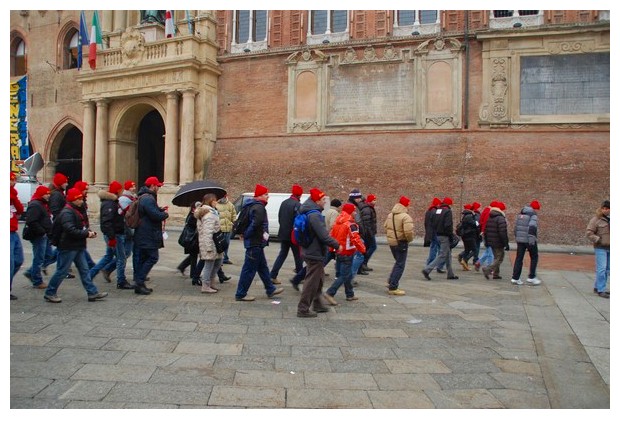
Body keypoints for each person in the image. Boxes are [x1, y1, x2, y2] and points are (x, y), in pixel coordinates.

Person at [42, 188, 108, 303]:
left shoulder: (74, 210)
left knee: (84, 270)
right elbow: (70, 230)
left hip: (77, 245)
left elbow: (79, 226)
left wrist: (87, 232)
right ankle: (50, 292)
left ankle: (92, 292)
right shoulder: (67, 212)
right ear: (73, 200)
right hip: (68, 246)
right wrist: (86, 233)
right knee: (62, 271)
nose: (81, 200)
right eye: (79, 199)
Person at [234, 184, 284, 302]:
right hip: (255, 242)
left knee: (262, 267)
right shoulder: (259, 207)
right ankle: (241, 294)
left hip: (256, 243)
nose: (268, 196)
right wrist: (247, 235)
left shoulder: (251, 206)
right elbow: (255, 224)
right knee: (249, 269)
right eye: (266, 194)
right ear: (260, 196)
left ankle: (270, 289)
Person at [297, 188, 341, 317]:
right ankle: (303, 309)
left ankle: (318, 304)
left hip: (311, 250)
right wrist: (337, 245)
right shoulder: (315, 215)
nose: (325, 202)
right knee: (311, 282)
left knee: (319, 279)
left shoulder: (311, 212)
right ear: (317, 201)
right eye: (323, 200)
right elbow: (323, 235)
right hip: (314, 252)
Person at [89, 181, 134, 289]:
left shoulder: (113, 202)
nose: (122, 191)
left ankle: (90, 275)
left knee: (108, 256)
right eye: (120, 189)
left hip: (115, 234)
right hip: (114, 235)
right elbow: (107, 222)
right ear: (117, 190)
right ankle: (121, 281)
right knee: (121, 258)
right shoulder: (109, 204)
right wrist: (112, 237)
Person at [132, 176, 169, 295]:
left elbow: (150, 212)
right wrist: (164, 214)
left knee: (143, 258)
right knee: (153, 257)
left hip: (144, 233)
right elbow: (154, 215)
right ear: (152, 186)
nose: (158, 188)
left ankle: (139, 284)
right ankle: (139, 281)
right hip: (147, 233)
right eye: (157, 186)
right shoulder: (148, 198)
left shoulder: (145, 196)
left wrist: (159, 209)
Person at [324, 203, 366, 305]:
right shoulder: (351, 224)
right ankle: (330, 292)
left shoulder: (338, 222)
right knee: (345, 275)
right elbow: (355, 238)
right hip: (348, 251)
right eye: (354, 211)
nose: (355, 212)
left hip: (339, 251)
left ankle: (350, 294)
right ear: (350, 211)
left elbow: (332, 236)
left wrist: (332, 249)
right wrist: (363, 249)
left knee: (347, 274)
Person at [270, 184, 304, 284]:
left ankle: (273, 275)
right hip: (293, 235)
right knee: (298, 256)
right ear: (299, 195)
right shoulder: (297, 205)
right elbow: (298, 221)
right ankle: (300, 275)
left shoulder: (284, 203)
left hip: (283, 233)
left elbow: (280, 217)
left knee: (282, 255)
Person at [23, 185, 53, 289]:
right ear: (41, 194)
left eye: (49, 193)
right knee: (39, 258)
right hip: (38, 235)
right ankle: (36, 280)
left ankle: (31, 272)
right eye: (46, 193)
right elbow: (31, 221)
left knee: (48, 255)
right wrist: (42, 232)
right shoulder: (36, 205)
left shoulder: (42, 204)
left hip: (44, 235)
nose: (48, 195)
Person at [422, 197, 458, 280]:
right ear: (449, 204)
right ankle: (427, 269)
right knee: (442, 254)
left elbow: (433, 223)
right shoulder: (448, 211)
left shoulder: (437, 211)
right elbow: (448, 225)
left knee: (448, 255)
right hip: (445, 236)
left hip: (437, 234)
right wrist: (450, 235)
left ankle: (450, 274)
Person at [384, 196, 414, 295]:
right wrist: (409, 240)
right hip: (401, 242)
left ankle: (391, 280)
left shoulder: (390, 215)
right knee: (400, 264)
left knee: (398, 262)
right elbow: (408, 232)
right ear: (406, 205)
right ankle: (393, 286)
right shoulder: (405, 216)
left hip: (392, 242)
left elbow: (386, 227)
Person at [195, 193, 224, 293]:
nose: (217, 202)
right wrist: (208, 247)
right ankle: (205, 285)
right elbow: (207, 232)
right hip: (211, 243)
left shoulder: (212, 212)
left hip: (215, 242)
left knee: (218, 262)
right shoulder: (209, 214)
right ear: (211, 201)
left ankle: (210, 282)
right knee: (209, 264)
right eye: (215, 200)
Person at [511, 200, 542, 286]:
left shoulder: (521, 214)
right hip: (529, 240)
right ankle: (531, 277)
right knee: (534, 257)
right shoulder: (533, 215)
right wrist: (532, 239)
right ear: (535, 208)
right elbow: (532, 227)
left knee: (519, 258)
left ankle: (515, 278)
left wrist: (517, 237)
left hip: (520, 240)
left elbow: (516, 227)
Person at [586, 200, 610, 299]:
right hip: (600, 247)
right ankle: (601, 290)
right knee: (602, 268)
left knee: (607, 269)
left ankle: (597, 287)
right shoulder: (596, 220)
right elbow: (589, 233)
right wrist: (598, 239)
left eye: (607, 208)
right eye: (603, 208)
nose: (605, 210)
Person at [177, 202, 205, 285]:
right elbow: (196, 226)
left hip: (193, 240)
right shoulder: (193, 217)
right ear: (193, 208)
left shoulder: (193, 215)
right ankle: (193, 274)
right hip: (192, 239)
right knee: (193, 257)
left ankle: (182, 267)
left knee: (193, 256)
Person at [482, 201, 509, 280]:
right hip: (498, 242)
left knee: (496, 257)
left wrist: (487, 241)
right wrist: (506, 243)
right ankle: (488, 269)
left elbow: (486, 230)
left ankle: (496, 274)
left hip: (491, 241)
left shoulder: (490, 217)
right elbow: (503, 232)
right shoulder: (500, 218)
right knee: (499, 258)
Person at [10, 172, 25, 300]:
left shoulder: (13, 194)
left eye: (14, 180)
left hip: (13, 231)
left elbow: (20, 209)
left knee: (18, 259)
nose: (13, 182)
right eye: (11, 180)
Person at [423, 197, 446, 273]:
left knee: (433, 248)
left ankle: (429, 264)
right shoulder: (435, 211)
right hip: (436, 232)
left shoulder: (428, 211)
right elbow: (437, 222)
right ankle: (436, 265)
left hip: (430, 232)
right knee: (438, 249)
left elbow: (426, 223)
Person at [118, 180, 137, 268]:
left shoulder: (132, 197)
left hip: (130, 227)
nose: (134, 188)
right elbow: (126, 214)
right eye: (132, 187)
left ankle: (108, 268)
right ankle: (109, 268)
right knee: (126, 253)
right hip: (127, 227)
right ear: (128, 188)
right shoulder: (124, 199)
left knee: (127, 252)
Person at [457, 204, 479, 271]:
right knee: (475, 250)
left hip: (465, 235)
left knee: (467, 250)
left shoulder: (465, 215)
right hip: (470, 235)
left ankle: (465, 266)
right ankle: (465, 259)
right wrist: (476, 222)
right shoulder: (469, 216)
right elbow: (473, 224)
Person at [216, 193, 236, 265]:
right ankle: (219, 259)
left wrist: (233, 222)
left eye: (224, 196)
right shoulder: (216, 205)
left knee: (226, 244)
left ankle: (225, 258)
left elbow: (234, 214)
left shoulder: (230, 205)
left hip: (228, 228)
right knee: (220, 244)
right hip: (220, 228)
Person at [361, 194, 378, 272]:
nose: (375, 201)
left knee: (367, 248)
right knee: (373, 246)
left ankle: (363, 264)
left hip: (369, 232)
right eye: (374, 200)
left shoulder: (370, 208)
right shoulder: (367, 209)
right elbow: (367, 223)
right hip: (368, 233)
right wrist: (370, 233)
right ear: (370, 201)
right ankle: (363, 262)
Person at [471, 201, 483, 271]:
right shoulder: (477, 215)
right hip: (476, 233)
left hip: (472, 233)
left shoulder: (471, 214)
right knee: (477, 247)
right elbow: (479, 224)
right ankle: (475, 259)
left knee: (473, 247)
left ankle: (474, 258)